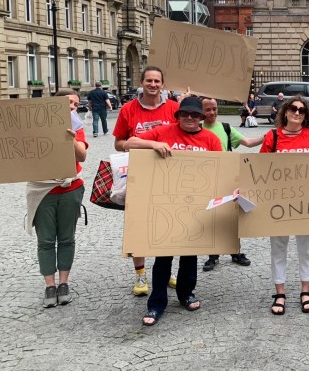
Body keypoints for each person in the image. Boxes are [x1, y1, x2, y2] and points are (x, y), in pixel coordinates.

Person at [124, 96, 223, 326]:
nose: (190, 118)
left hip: (194, 204)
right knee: (163, 255)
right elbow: (128, 143)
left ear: (202, 117)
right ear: (177, 115)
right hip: (164, 203)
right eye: (185, 114)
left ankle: (186, 293)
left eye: (195, 114)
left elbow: (221, 169)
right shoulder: (163, 131)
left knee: (190, 253)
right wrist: (153, 144)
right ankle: (157, 303)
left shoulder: (210, 139)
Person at [113, 66, 180, 296]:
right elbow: (120, 143)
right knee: (138, 225)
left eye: (157, 81)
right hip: (138, 174)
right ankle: (140, 274)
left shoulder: (174, 108)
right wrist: (150, 144)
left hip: (167, 174)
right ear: (142, 82)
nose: (153, 84)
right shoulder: (128, 109)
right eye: (149, 80)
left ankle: (167, 270)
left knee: (167, 223)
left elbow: (185, 134)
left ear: (163, 84)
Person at [260, 95, 309, 315]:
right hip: (278, 203)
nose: (297, 112)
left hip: (305, 202)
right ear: (285, 111)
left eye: (301, 110)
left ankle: (305, 290)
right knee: (278, 248)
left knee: (305, 248)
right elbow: (259, 170)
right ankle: (280, 292)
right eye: (292, 108)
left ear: (306, 115)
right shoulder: (273, 136)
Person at [25, 88, 87, 308]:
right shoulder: (35, 126)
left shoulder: (76, 126)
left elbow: (82, 156)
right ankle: (49, 286)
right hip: (42, 189)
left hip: (70, 188)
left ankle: (63, 283)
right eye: (68, 102)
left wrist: (69, 139)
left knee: (67, 238)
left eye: (75, 104)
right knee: (46, 240)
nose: (72, 107)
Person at [201, 97, 264, 271]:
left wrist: (268, 136)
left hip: (227, 176)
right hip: (206, 178)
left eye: (214, 108)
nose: (212, 112)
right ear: (201, 111)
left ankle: (235, 251)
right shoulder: (197, 129)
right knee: (212, 215)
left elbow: (248, 143)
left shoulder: (225, 128)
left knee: (231, 215)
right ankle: (213, 254)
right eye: (208, 109)